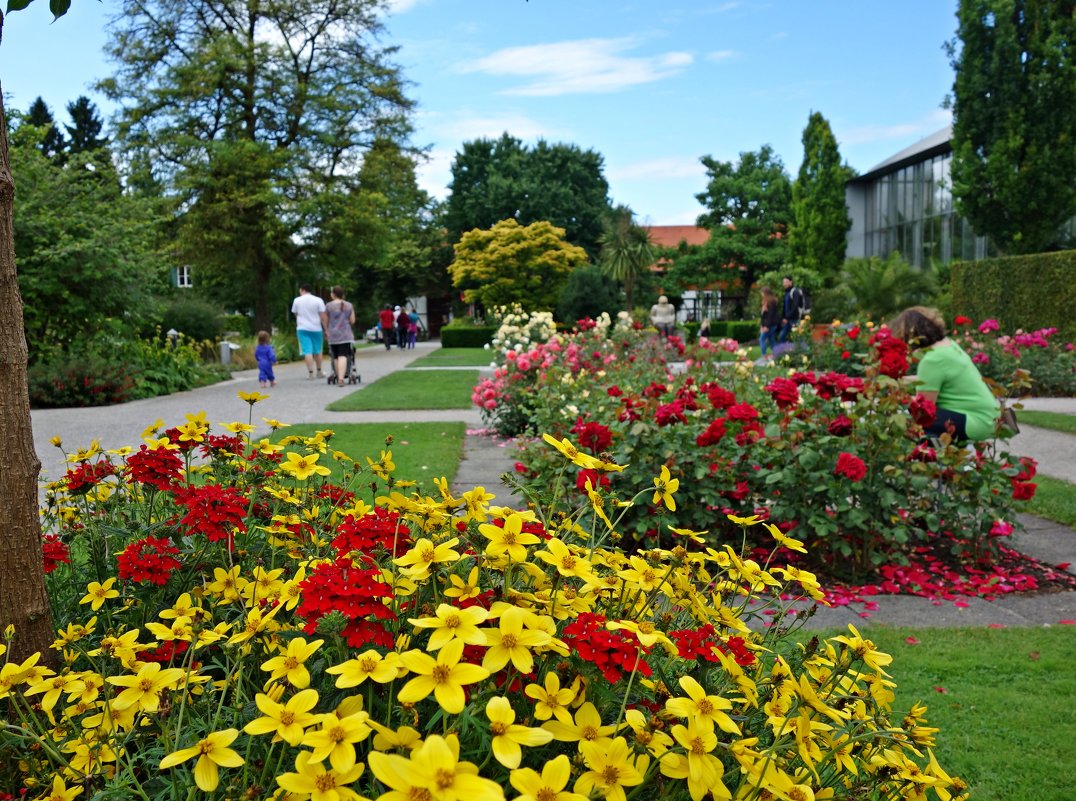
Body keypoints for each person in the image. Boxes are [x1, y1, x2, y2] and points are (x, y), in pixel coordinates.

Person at [889, 306, 1000, 442]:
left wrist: (895, 397)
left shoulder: (932, 360)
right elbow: (934, 380)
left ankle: (929, 458)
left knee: (910, 418)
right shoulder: (948, 346)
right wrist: (897, 381)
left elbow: (924, 410)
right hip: (988, 417)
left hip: (976, 422)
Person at [291, 284, 327, 379]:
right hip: (316, 328)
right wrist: (326, 329)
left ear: (302, 290)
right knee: (318, 350)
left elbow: (296, 314)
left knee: (307, 351)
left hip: (302, 328)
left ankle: (310, 373)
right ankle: (319, 371)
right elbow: (323, 316)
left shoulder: (297, 300)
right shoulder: (318, 300)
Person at [325, 285, 356, 386]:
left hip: (333, 334)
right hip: (345, 334)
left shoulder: (328, 306)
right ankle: (341, 379)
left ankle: (338, 376)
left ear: (333, 294)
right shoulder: (349, 305)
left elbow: (326, 320)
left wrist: (326, 330)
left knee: (335, 356)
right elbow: (352, 320)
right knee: (343, 355)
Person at [777, 276, 806, 343]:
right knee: (782, 335)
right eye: (783, 282)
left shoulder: (795, 292)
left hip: (794, 319)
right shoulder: (786, 293)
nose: (784, 284)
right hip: (788, 319)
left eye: (786, 282)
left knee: (798, 336)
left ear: (791, 282)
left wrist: (787, 317)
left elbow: (795, 306)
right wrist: (784, 317)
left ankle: (806, 351)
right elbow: (785, 307)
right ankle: (780, 351)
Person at [759, 286, 781, 358]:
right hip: (770, 324)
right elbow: (764, 315)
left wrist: (766, 326)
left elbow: (770, 316)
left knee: (762, 339)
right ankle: (776, 354)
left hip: (770, 325)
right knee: (771, 339)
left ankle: (764, 355)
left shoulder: (771, 303)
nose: (761, 294)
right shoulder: (766, 302)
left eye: (762, 293)